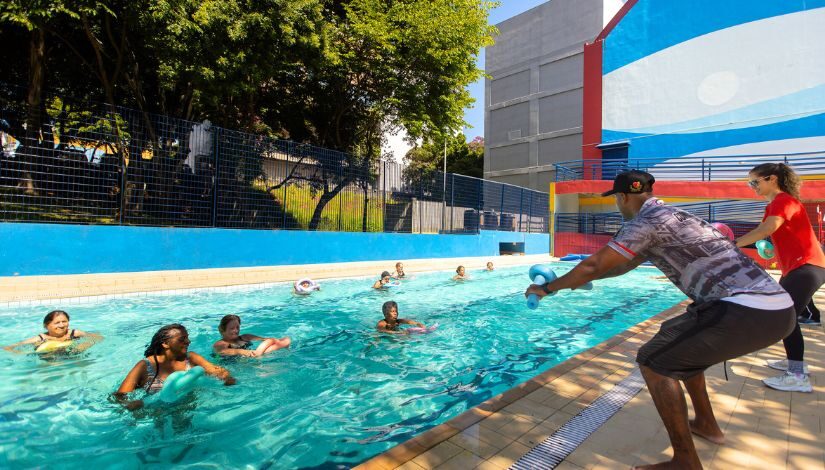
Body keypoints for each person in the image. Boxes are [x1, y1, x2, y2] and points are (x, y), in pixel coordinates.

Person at [525, 170, 795, 470]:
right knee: (675, 337)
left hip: (745, 309)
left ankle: (685, 461)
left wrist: (548, 288)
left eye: (616, 199)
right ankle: (706, 423)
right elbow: (620, 265)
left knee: (653, 361)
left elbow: (595, 264)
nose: (617, 204)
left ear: (623, 197)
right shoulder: (674, 215)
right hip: (778, 309)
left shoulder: (644, 222)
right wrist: (576, 280)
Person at [735, 162, 825, 392]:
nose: (752, 186)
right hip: (797, 269)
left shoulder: (783, 201)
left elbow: (767, 229)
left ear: (771, 179)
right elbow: (769, 234)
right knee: (784, 316)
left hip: (807, 267)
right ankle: (794, 362)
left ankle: (797, 375)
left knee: (787, 317)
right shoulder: (777, 204)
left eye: (755, 182)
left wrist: (731, 244)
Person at [116, 324, 236, 410]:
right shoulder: (145, 366)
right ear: (165, 344)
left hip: (189, 410)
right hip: (157, 415)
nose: (188, 341)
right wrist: (130, 403)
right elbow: (119, 396)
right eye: (182, 339)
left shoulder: (192, 358)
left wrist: (227, 378)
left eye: (187, 338)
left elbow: (218, 372)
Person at [3, 310, 103, 355]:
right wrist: (24, 352)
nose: (62, 325)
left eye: (64, 321)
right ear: (47, 325)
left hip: (74, 355)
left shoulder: (74, 333)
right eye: (57, 323)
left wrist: (83, 346)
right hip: (51, 359)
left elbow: (98, 337)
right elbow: (9, 347)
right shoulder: (41, 338)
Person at [213, 314, 291, 357]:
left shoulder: (246, 337)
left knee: (281, 340)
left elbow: (264, 339)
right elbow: (222, 351)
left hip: (254, 355)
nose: (236, 330)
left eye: (237, 327)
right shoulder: (221, 343)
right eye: (232, 328)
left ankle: (259, 353)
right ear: (223, 330)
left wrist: (276, 340)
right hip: (238, 365)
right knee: (285, 340)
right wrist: (241, 351)